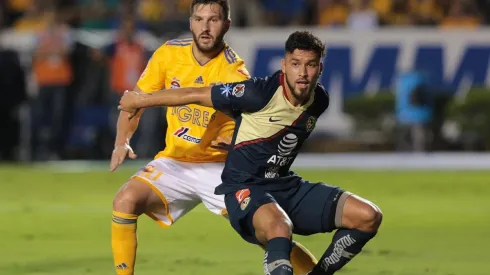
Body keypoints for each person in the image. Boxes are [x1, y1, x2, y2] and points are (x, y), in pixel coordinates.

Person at [119, 30, 383, 275]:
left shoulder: (319, 100)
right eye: (295, 64)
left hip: (284, 184)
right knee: (279, 229)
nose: (302, 72)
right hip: (243, 188)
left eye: (310, 64)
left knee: (368, 216)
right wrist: (140, 100)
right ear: (283, 66)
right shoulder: (258, 93)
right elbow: (196, 94)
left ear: (320, 68)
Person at [109, 1, 318, 274]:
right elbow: (134, 102)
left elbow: (260, 126)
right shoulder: (168, 54)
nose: (205, 27)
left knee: (269, 233)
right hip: (175, 161)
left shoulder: (234, 73)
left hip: (223, 169)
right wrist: (121, 141)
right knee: (124, 200)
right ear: (191, 22)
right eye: (199, 19)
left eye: (214, 20)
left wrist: (239, 144)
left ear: (227, 25)